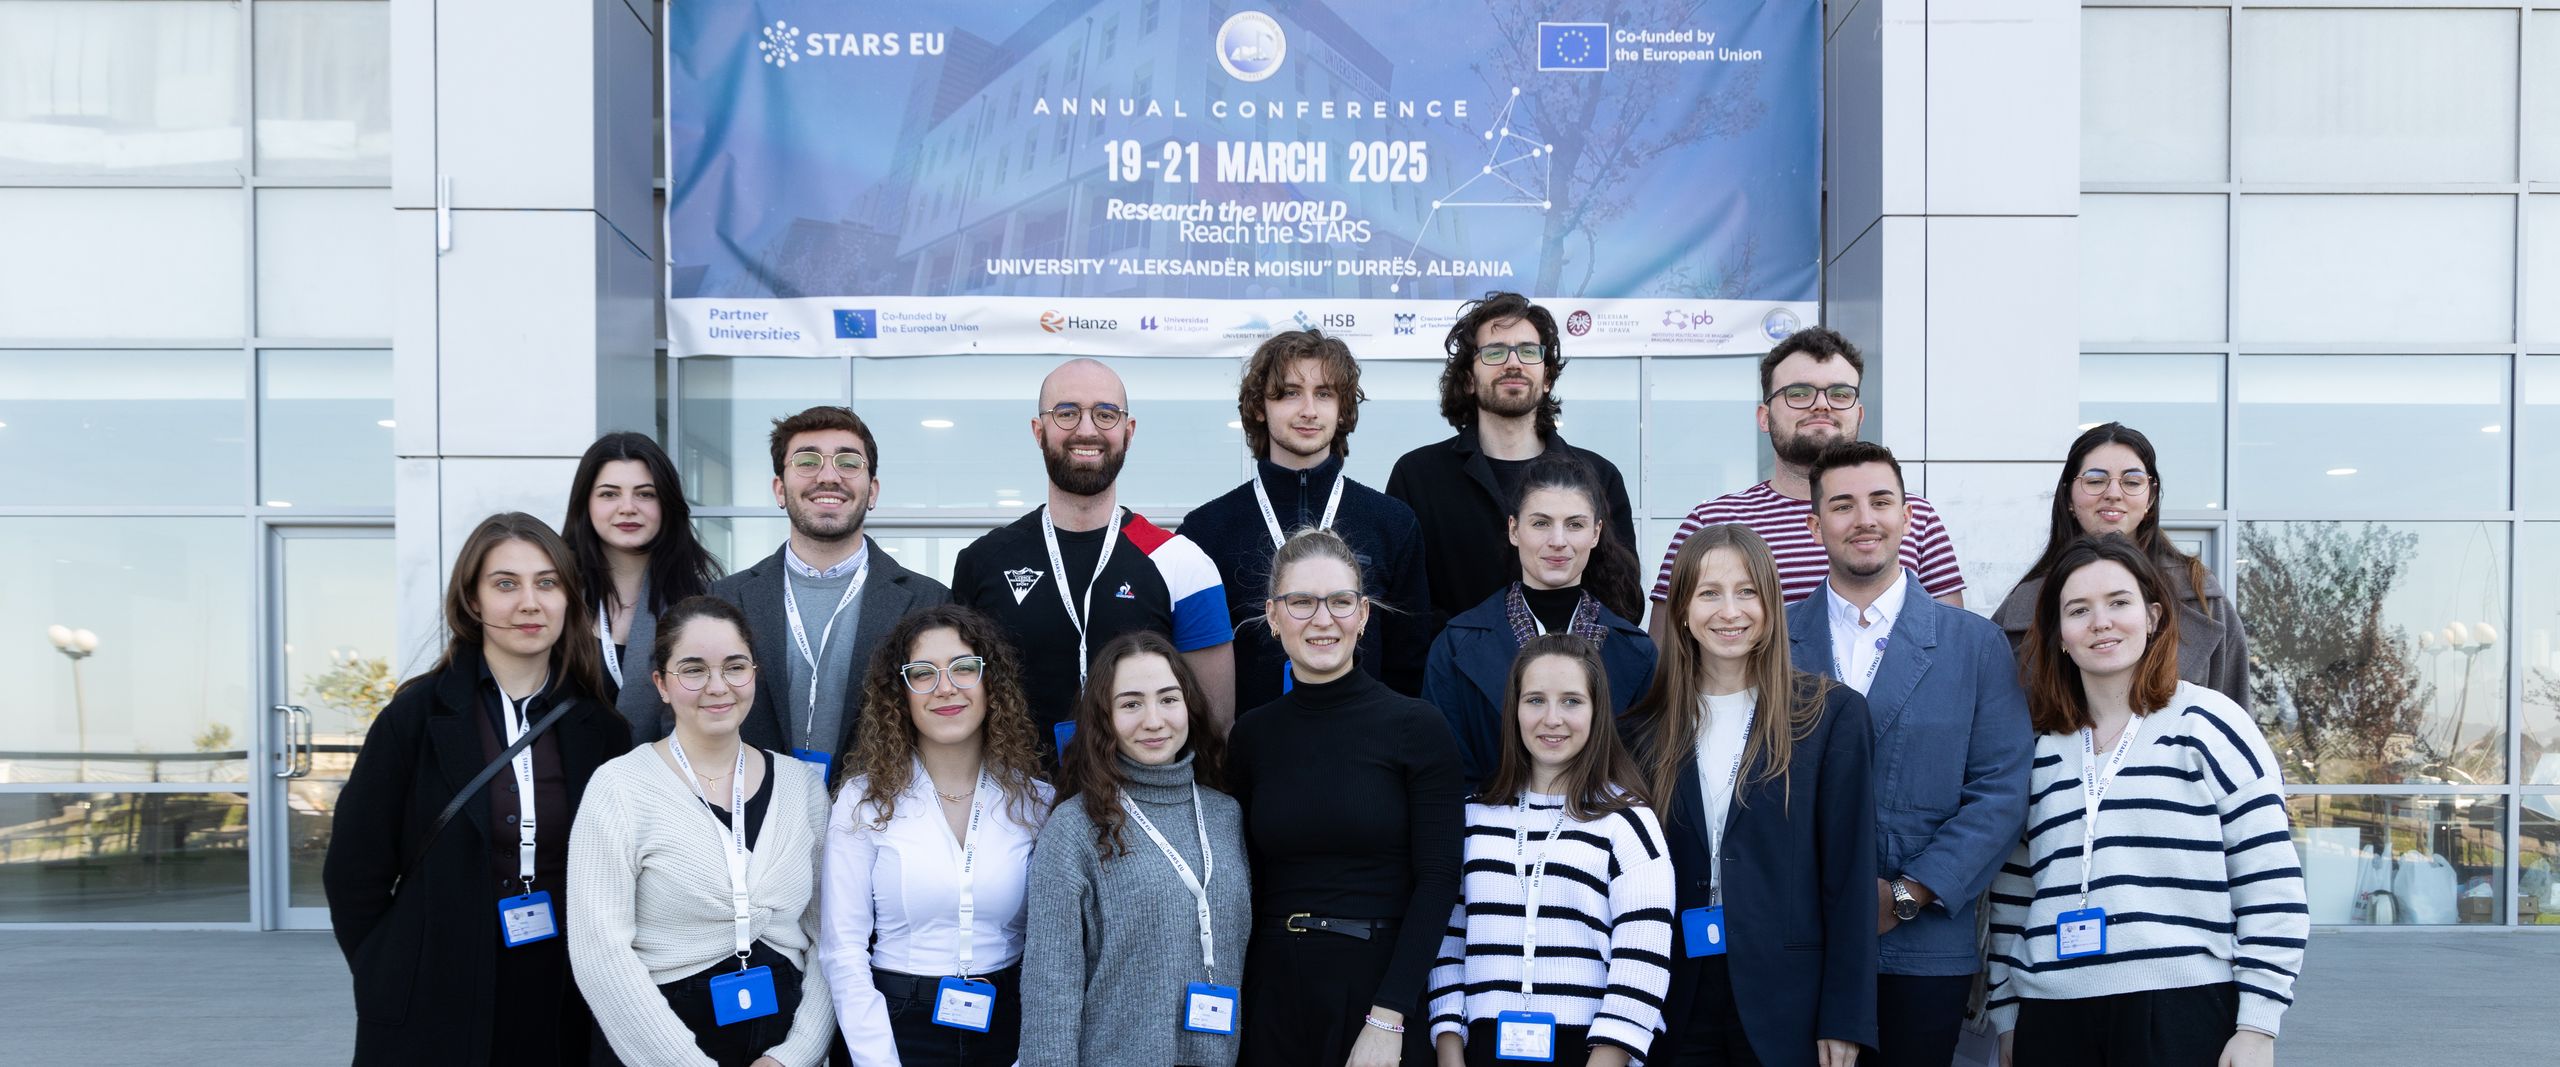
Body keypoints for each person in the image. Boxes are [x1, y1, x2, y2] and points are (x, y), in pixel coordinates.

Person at [1985, 535, 2307, 1067]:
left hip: (2178, 1010)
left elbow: (2270, 884)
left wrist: (2258, 1024)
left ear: (2153, 616)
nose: (2100, 622)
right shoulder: (2039, 748)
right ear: (2060, 635)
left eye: (2118, 602)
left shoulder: (2210, 724)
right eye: (2078, 610)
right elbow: (2014, 894)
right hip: (2052, 1013)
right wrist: (2008, 1018)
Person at [323, 512, 632, 1066]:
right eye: (505, 584)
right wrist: (384, 968)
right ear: (472, 601)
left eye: (547, 583)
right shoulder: (416, 716)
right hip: (435, 982)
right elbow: (353, 869)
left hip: (563, 981)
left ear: (568, 599)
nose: (530, 603)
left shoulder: (602, 729)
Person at [1788, 440, 2032, 1067]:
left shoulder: (1974, 645)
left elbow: (2001, 790)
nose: (1863, 519)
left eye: (1880, 501)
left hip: (1924, 947)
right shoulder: (1772, 643)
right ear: (1815, 525)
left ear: (1907, 516)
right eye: (1842, 505)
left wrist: (1908, 894)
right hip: (1797, 940)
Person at [1625, 524, 1874, 1067]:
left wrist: (1845, 1014)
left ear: (1770, 604)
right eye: (1709, 593)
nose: (1729, 611)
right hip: (1671, 994)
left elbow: (1850, 879)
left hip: (1789, 1002)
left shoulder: (1829, 716)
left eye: (1747, 592)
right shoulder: (1641, 731)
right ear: (1683, 610)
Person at [1227, 528, 1464, 1066]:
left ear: (1363, 615)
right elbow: (1248, 879)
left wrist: (1389, 1016)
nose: (1322, 619)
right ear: (1273, 614)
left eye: (1339, 602)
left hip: (1378, 989)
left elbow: (1438, 880)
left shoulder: (1416, 726)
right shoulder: (1253, 736)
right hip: (1273, 994)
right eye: (1302, 602)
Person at [568, 596, 836, 1066]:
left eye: (734, 666)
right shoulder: (619, 788)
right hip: (660, 1043)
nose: (718, 686)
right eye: (693, 670)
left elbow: (830, 940)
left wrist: (795, 1056)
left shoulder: (802, 789)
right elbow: (600, 952)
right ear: (662, 685)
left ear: (754, 673)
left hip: (782, 1043)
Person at [950, 358, 1233, 754]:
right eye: (1066, 413)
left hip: (1141, 804)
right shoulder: (983, 562)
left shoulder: (1184, 564)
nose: (1086, 429)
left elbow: (1213, 726)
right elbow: (959, 702)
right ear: (1038, 430)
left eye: (1105, 414)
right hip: (1010, 808)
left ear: (1128, 431)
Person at [821, 605, 1054, 1067]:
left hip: (1007, 1026)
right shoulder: (863, 801)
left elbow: (1050, 948)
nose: (945, 687)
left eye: (964, 669)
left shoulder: (1037, 802)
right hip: (894, 1024)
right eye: (922, 673)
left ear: (992, 685)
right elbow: (842, 949)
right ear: (899, 694)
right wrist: (877, 1060)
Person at [1425, 634, 1673, 1067]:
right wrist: (1450, 1053)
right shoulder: (1473, 819)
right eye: (1535, 700)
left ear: (1597, 712)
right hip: (1479, 1049)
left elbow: (1642, 962)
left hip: (1590, 1051)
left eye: (1572, 701)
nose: (1552, 719)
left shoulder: (1629, 822)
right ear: (1514, 710)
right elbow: (1447, 944)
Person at [1647, 327, 1967, 643]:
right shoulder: (1710, 522)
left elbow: (1951, 645)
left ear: (1858, 414)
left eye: (1839, 393)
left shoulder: (1916, 517)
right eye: (1799, 393)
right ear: (1764, 416)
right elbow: (1665, 655)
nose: (1821, 405)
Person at [1022, 631, 1252, 1067]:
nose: (1153, 720)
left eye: (1168, 699)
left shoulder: (1226, 816)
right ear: (1103, 717)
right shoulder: (1074, 827)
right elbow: (1050, 989)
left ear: (1190, 706)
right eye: (1130, 703)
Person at [1180, 329, 1435, 708]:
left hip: (1366, 754)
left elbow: (1409, 665)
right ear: (1257, 408)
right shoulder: (1206, 531)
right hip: (1248, 756)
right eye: (1289, 393)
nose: (1309, 410)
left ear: (1343, 409)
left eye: (1324, 394)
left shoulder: (1393, 524)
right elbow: (1191, 672)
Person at [710, 406, 951, 784]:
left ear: (872, 491)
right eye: (807, 461)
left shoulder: (930, 603)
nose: (828, 476)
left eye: (848, 462)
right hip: (750, 818)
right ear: (779, 489)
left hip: (882, 821)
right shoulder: (724, 602)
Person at [1388, 291, 1637, 628]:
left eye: (1528, 351)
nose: (1513, 363)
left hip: (1574, 676)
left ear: (1547, 377)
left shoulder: (1599, 476)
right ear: (1468, 380)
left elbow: (1623, 603)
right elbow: (1403, 607)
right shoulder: (1416, 477)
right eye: (1495, 352)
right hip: (1455, 675)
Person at [1423, 452, 1654, 787]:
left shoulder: (1639, 655)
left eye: (1574, 524)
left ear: (1595, 532)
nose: (1557, 541)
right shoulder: (1455, 647)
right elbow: (1442, 779)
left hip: (1602, 834)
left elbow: (1644, 780)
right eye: (1541, 523)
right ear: (1514, 529)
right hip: (1486, 835)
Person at [1993, 422, 2250, 708]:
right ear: (2068, 496)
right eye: (2095, 480)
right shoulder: (2021, 608)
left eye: (2131, 481)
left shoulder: (2202, 597)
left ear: (2150, 497)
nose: (2113, 493)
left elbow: (2235, 722)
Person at [564, 430, 724, 743]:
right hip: (559, 784)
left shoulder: (703, 602)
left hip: (662, 783)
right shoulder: (554, 596)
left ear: (667, 504)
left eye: (645, 494)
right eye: (609, 494)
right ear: (586, 503)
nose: (627, 507)